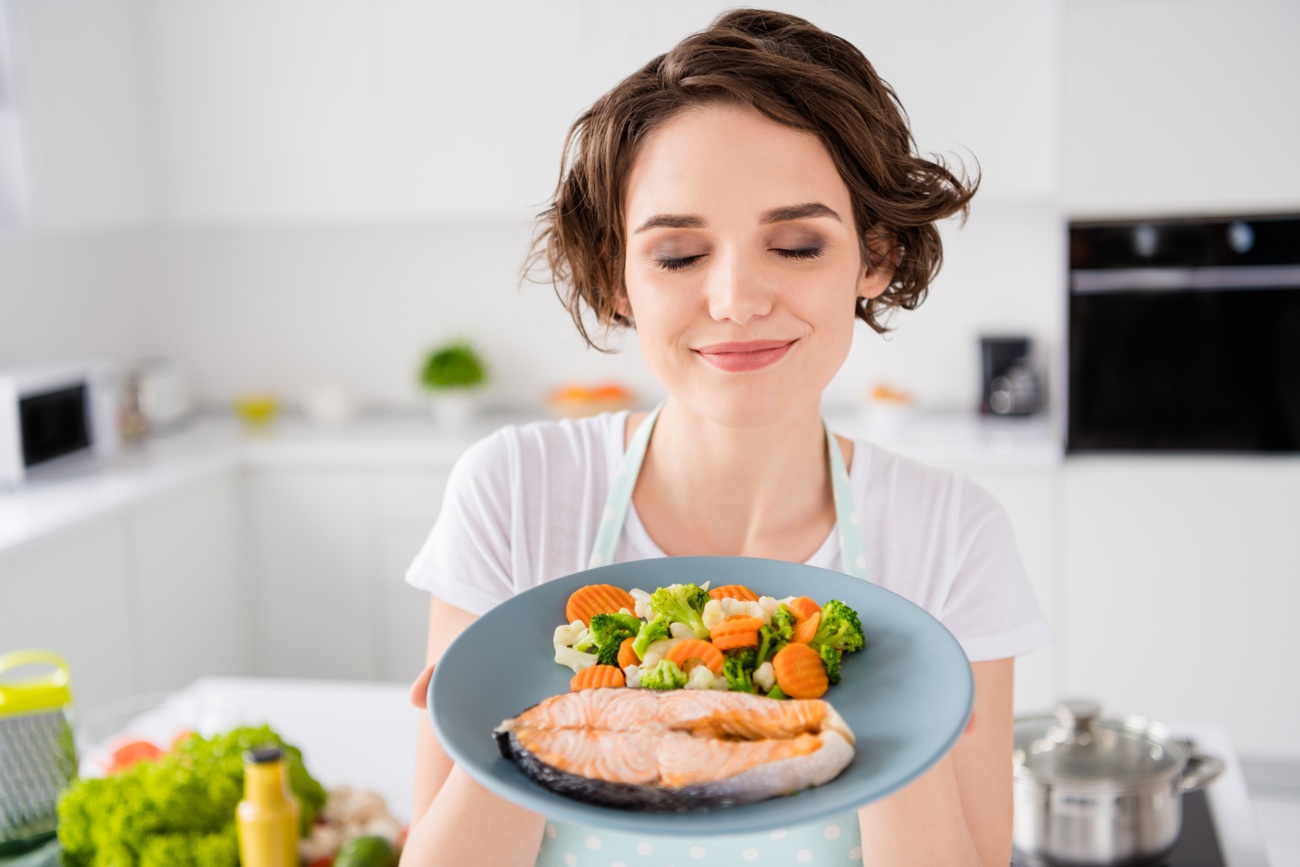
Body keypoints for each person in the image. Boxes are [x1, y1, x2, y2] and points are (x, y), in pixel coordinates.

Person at [400, 9, 1050, 866]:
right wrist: (531, 712)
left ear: (876, 255)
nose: (737, 298)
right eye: (677, 255)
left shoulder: (950, 533)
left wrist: (903, 716)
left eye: (795, 243)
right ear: (619, 277)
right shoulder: (515, 489)